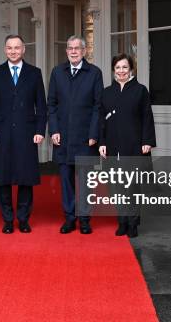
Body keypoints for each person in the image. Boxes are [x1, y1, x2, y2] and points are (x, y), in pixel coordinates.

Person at [0, 34, 47, 234]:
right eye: (9, 48)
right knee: (3, 178)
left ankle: (23, 219)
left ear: (23, 50)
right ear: (5, 50)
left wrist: (40, 131)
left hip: (27, 133)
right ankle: (8, 220)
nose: (13, 51)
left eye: (17, 47)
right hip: (1, 133)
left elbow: (42, 106)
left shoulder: (35, 73)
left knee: (25, 178)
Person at [47, 35, 103, 234]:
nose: (73, 51)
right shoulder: (57, 72)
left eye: (77, 48)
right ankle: (69, 218)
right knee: (66, 181)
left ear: (84, 51)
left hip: (85, 137)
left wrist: (94, 133)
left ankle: (85, 219)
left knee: (86, 181)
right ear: (66, 51)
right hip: (62, 137)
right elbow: (51, 104)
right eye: (69, 48)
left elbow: (98, 106)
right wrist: (53, 130)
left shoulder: (94, 73)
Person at [99, 54, 156, 238]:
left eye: (125, 67)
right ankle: (122, 221)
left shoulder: (140, 90)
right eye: (118, 67)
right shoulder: (107, 92)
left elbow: (147, 117)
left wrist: (147, 141)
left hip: (134, 145)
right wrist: (102, 143)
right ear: (113, 70)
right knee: (116, 185)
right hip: (113, 146)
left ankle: (133, 223)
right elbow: (101, 120)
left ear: (131, 69)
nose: (121, 71)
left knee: (132, 186)